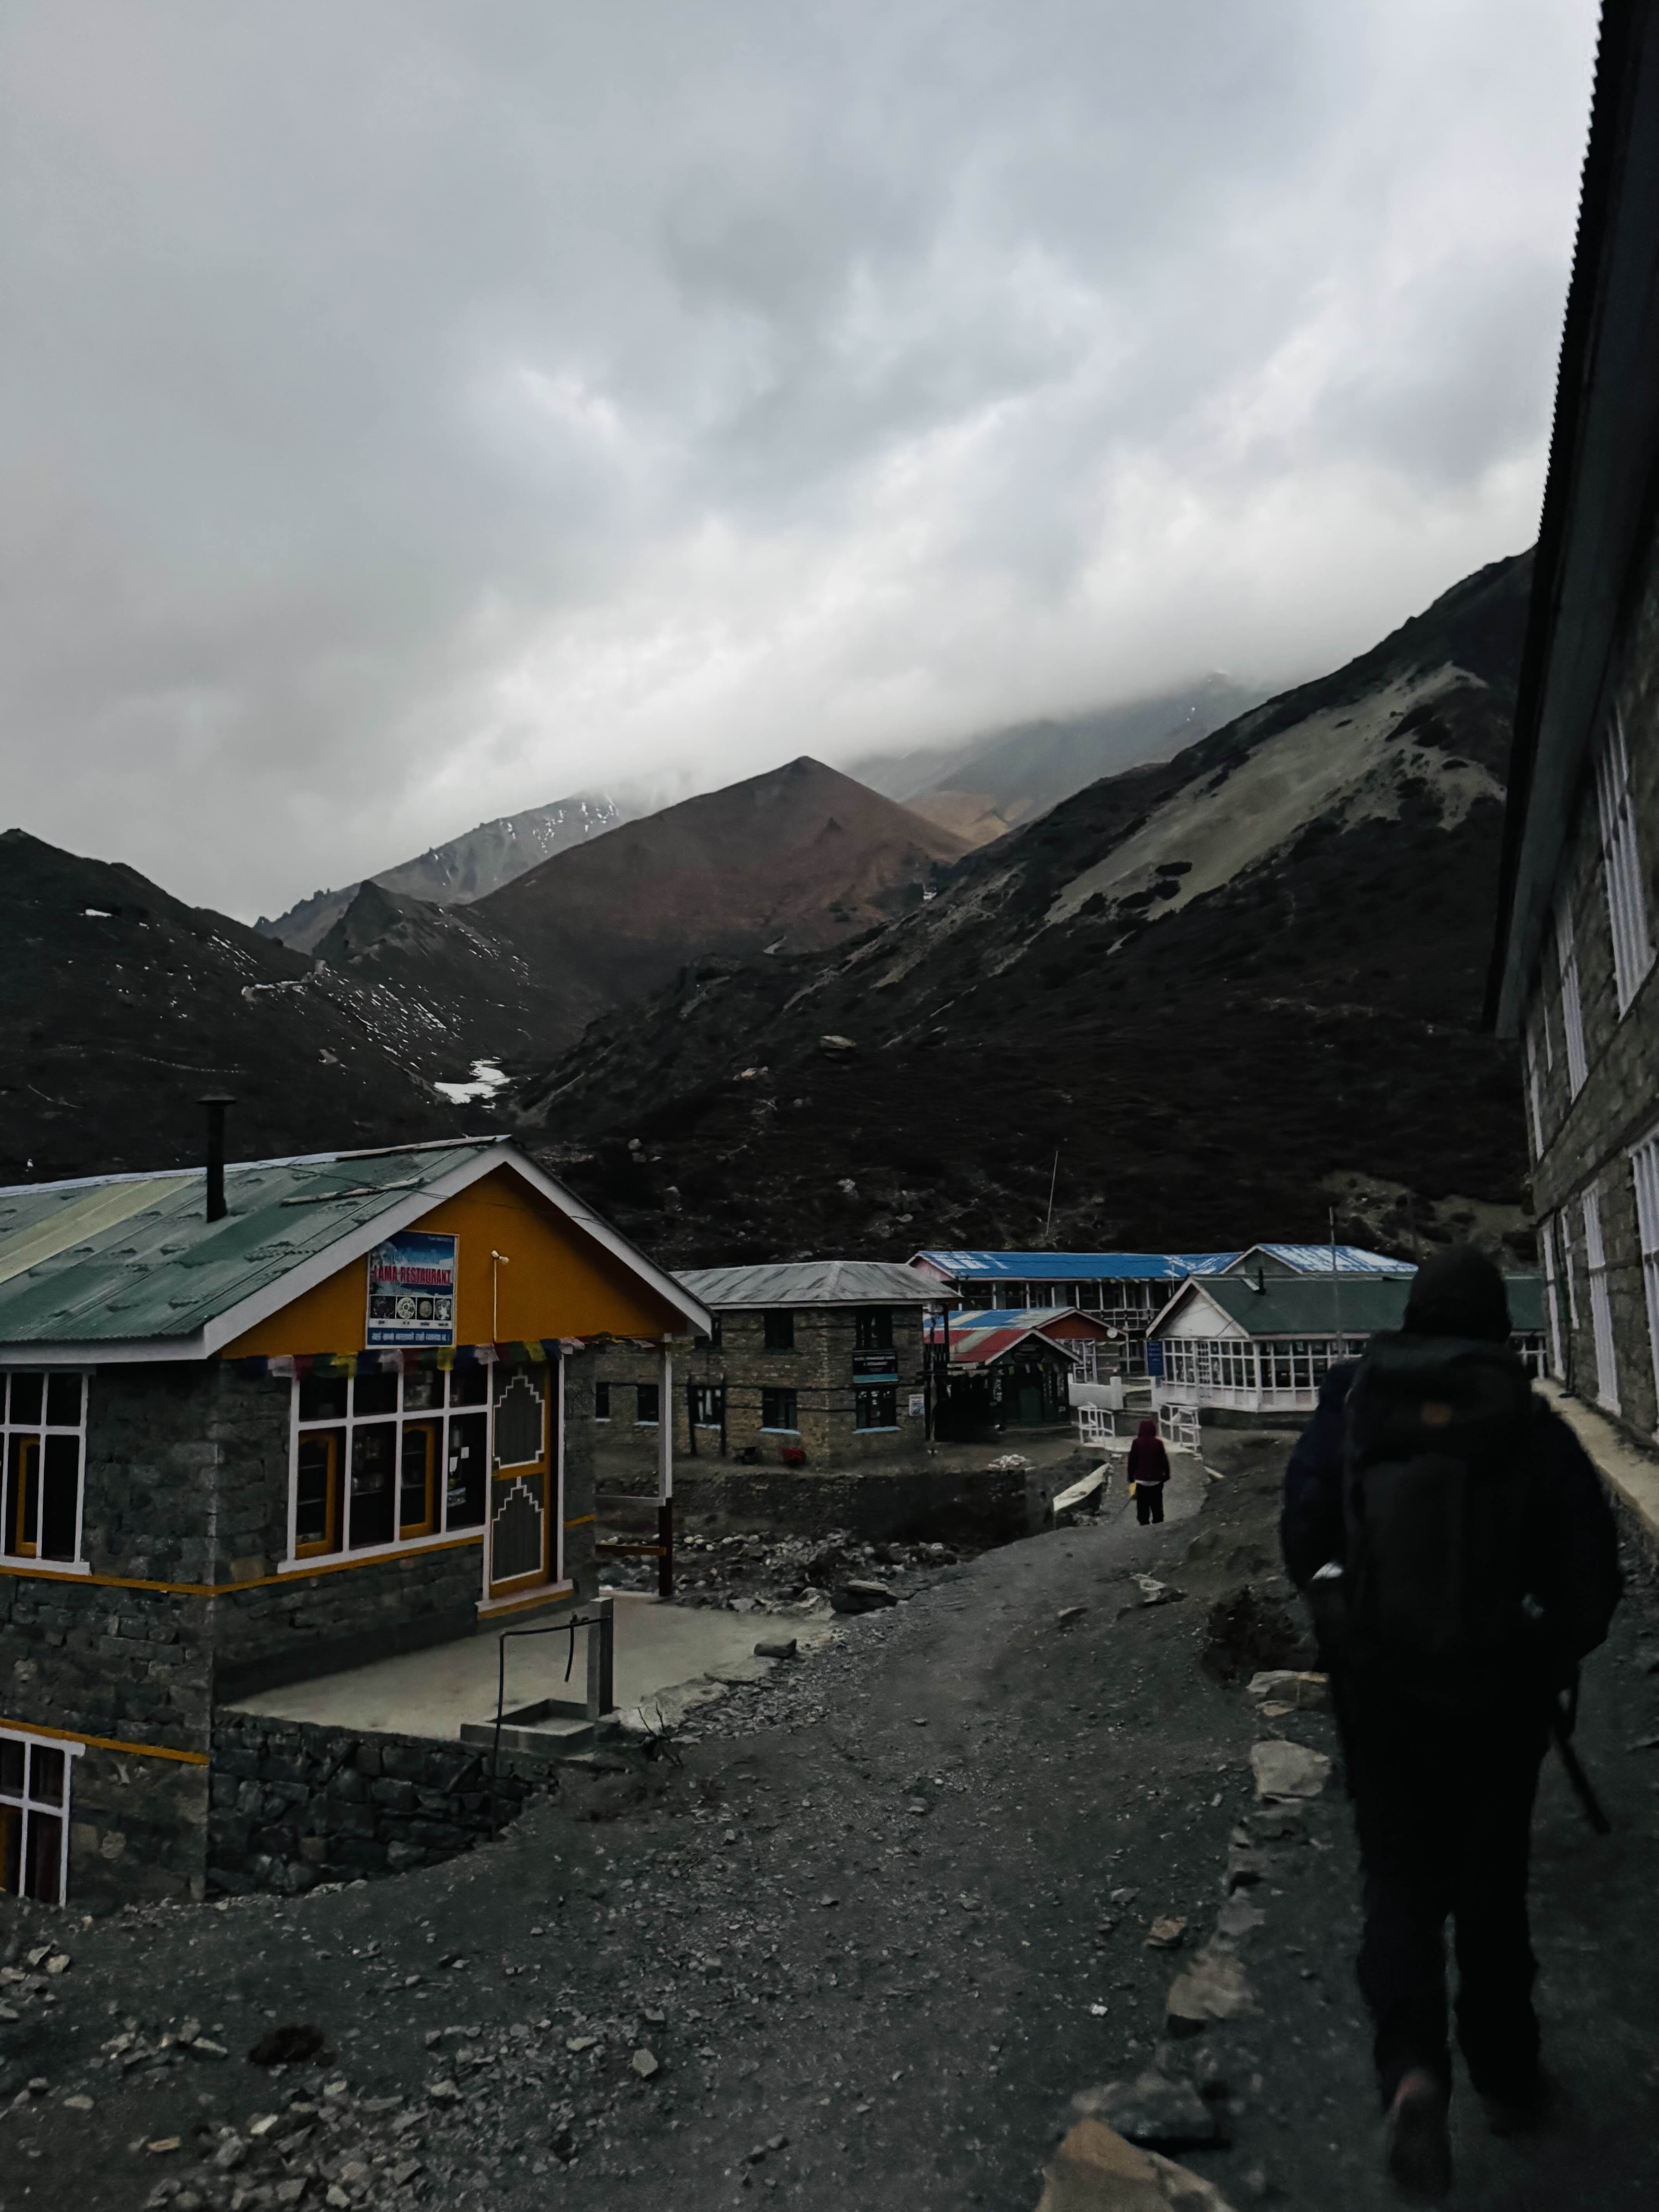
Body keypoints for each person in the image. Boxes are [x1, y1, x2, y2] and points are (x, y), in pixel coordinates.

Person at [1281, 1247, 1620, 2201]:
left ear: (1413, 1314)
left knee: (1396, 1880)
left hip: (1380, 1697)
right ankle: (1506, 2078)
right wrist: (1543, 1653)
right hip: (1498, 1699)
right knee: (1491, 1885)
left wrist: (1351, 1632)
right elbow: (1592, 1577)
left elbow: (1304, 1536)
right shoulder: (1526, 1418)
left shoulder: (1354, 1401)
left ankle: (1412, 2073)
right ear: (1495, 1325)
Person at [1126, 1417, 1170, 1523]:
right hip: (1156, 1480)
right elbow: (1164, 1461)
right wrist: (1166, 1476)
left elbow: (1132, 1462)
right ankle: (1158, 1524)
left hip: (1141, 1481)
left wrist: (1131, 1479)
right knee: (1157, 1505)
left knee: (1143, 1506)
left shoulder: (1136, 1443)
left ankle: (1144, 1525)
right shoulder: (1159, 1443)